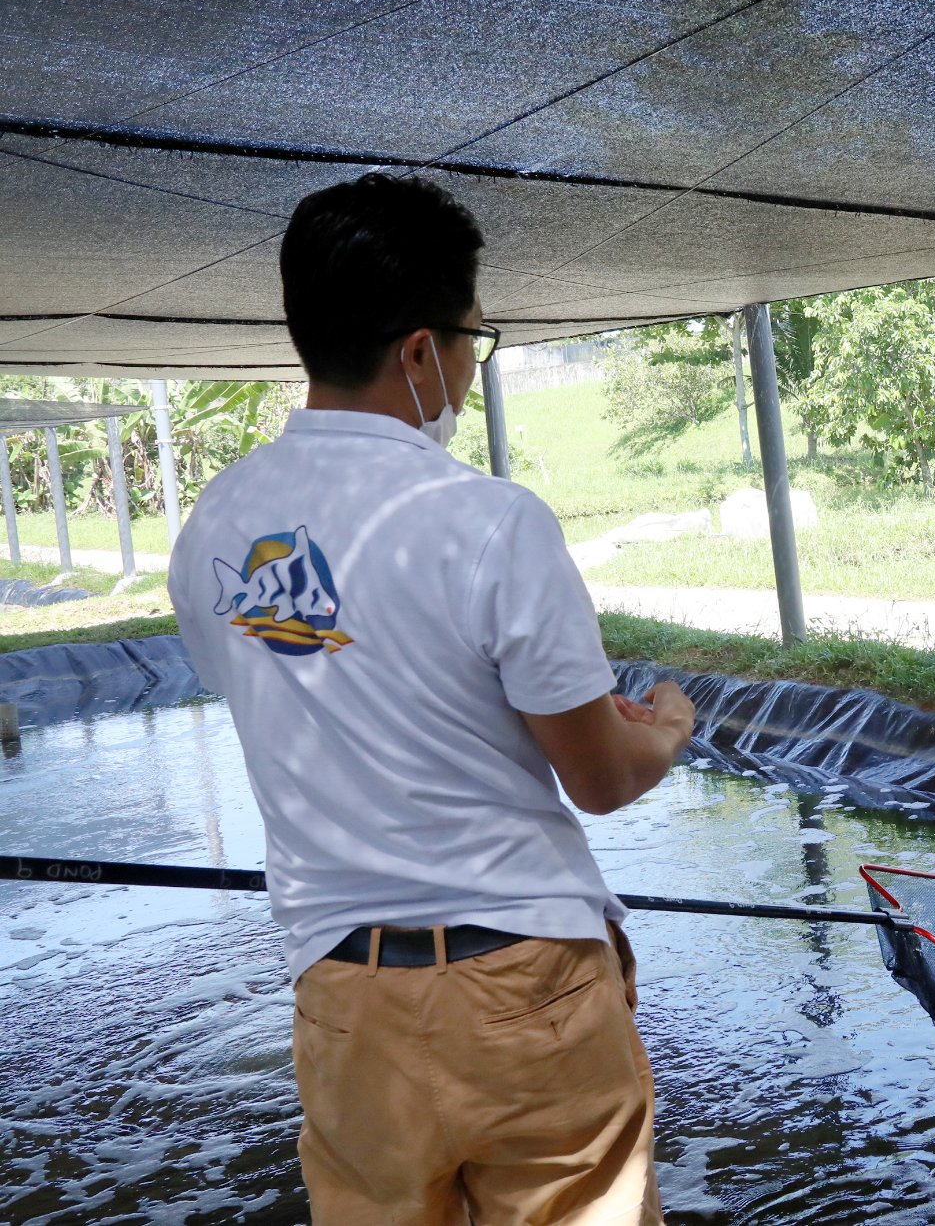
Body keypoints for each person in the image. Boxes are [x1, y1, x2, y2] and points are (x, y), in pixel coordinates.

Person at [167, 172, 696, 1224]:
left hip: (344, 1003)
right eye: (471, 340)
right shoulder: (488, 520)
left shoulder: (211, 531)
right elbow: (596, 778)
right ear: (419, 351)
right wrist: (665, 729)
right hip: (523, 989)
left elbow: (310, 696)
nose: (467, 367)